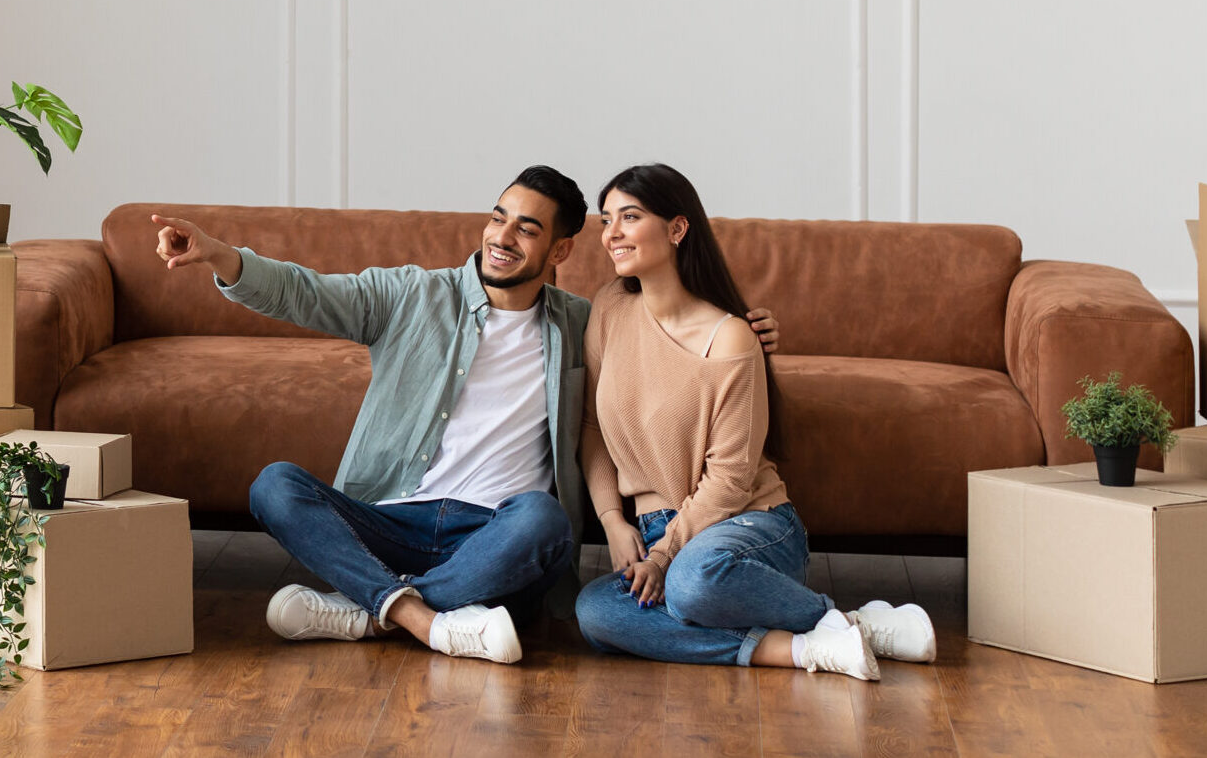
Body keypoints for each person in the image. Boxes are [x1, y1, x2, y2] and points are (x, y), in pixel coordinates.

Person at [151, 166, 778, 665]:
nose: (501, 238)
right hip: (392, 517)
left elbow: (672, 337)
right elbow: (304, 292)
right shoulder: (412, 295)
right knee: (275, 485)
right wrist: (220, 257)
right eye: (498, 218)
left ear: (560, 248)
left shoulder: (586, 322)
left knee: (544, 517)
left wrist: (745, 329)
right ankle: (423, 619)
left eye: (527, 229)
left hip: (496, 534)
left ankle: (366, 607)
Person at [574, 163, 935, 678]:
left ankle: (837, 619)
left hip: (743, 526)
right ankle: (809, 645)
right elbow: (591, 428)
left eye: (629, 217)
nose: (611, 233)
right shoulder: (610, 307)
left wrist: (664, 556)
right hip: (653, 527)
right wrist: (612, 520)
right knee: (595, 613)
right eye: (606, 219)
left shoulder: (731, 337)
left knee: (692, 583)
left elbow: (730, 480)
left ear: (677, 229)